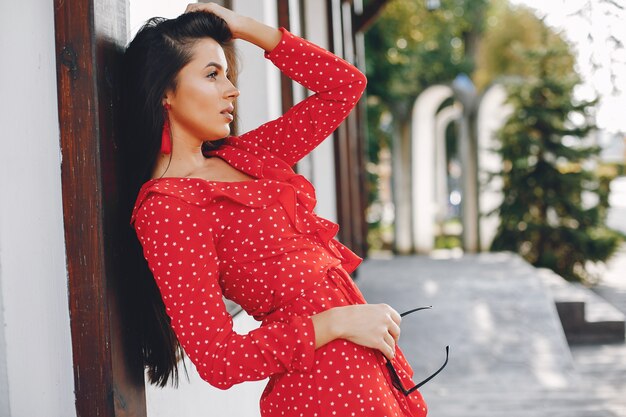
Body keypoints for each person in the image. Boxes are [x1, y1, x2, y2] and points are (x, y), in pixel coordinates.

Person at [121, 3, 429, 416]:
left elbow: (344, 86)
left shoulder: (247, 156)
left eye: (228, 74)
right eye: (212, 74)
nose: (232, 89)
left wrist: (244, 26)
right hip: (321, 395)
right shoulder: (168, 209)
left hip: (369, 376)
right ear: (164, 92)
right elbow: (218, 359)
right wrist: (336, 322)